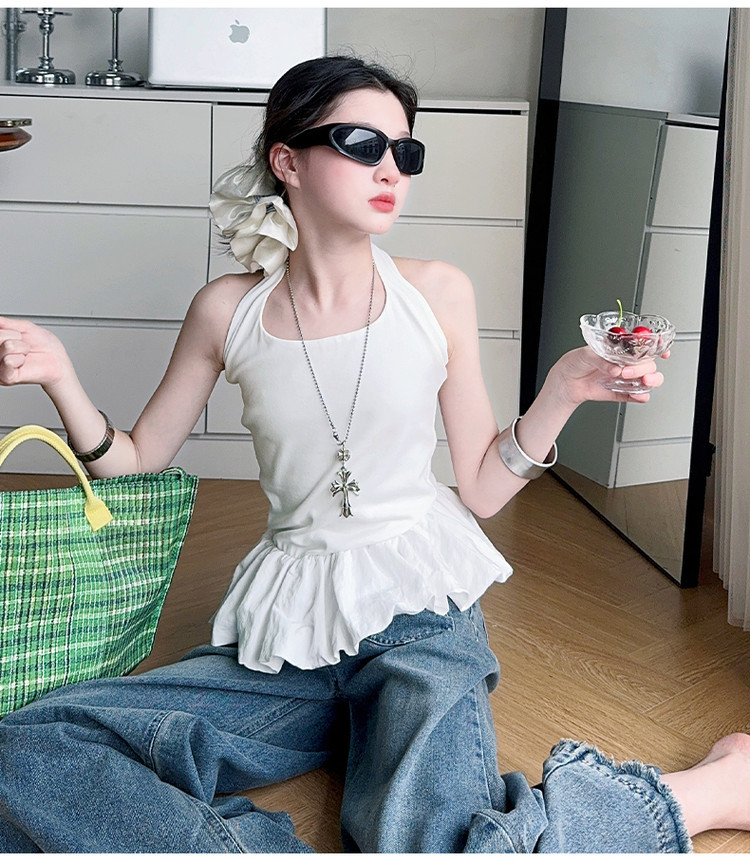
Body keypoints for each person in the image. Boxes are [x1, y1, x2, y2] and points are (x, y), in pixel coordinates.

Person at [0, 54, 747, 853]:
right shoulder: (227, 310)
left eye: (405, 151)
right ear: (287, 161)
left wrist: (561, 389)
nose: (391, 169)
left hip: (417, 617)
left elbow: (481, 489)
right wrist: (59, 377)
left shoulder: (436, 292)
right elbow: (137, 459)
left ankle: (702, 794)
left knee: (429, 842)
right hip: (287, 633)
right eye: (361, 144)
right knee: (30, 747)